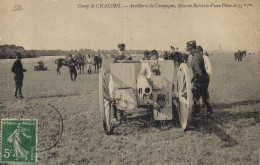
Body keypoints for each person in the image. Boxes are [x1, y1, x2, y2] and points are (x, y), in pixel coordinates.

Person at [186, 41, 212, 118]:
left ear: (191, 49)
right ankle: (210, 111)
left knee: (196, 97)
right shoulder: (198, 55)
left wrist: (196, 83)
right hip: (205, 79)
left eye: (188, 49)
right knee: (205, 96)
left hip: (200, 80)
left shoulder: (195, 58)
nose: (188, 51)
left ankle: (196, 114)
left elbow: (198, 72)